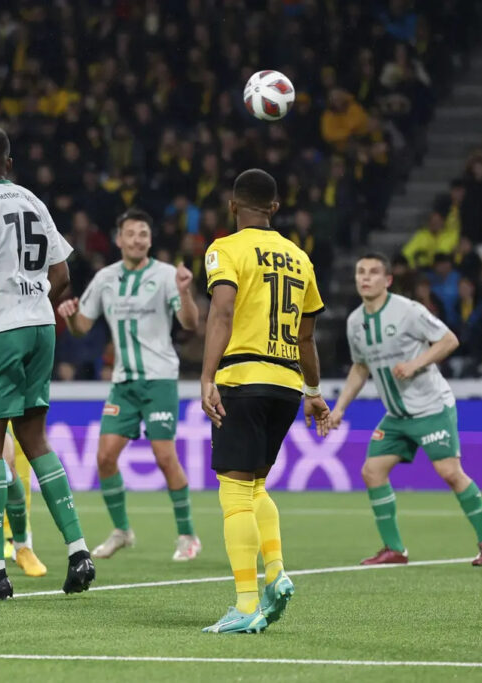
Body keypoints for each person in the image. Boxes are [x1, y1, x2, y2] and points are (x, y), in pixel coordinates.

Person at [0, 125, 93, 601]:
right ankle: (78, 551)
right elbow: (62, 273)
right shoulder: (33, 200)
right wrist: (33, 306)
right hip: (41, 329)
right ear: (9, 164)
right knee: (35, 440)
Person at [200, 169, 331, 634]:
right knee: (256, 486)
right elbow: (307, 337)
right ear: (275, 207)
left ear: (233, 205)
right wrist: (313, 392)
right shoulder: (300, 258)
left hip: (243, 379)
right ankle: (276, 573)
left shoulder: (225, 249)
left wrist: (207, 376)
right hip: (287, 385)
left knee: (234, 492)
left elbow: (222, 311)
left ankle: (245, 604)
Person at [328, 253, 482, 567]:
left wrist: (416, 363)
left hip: (431, 407)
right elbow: (360, 368)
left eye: (373, 272)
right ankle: (394, 550)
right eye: (360, 272)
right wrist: (339, 409)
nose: (365, 277)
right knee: (372, 471)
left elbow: (448, 340)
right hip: (397, 416)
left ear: (388, 280)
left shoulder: (408, 311)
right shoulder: (355, 322)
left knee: (450, 473)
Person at [57, 208, 202, 562]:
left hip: (159, 380)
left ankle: (187, 535)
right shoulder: (105, 278)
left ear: (150, 240)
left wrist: (185, 293)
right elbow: (83, 327)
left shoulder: (167, 275)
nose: (138, 240)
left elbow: (190, 323)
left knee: (164, 457)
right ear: (119, 239)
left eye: (143, 234)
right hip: (123, 383)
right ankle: (122, 531)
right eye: (131, 234)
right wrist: (71, 316)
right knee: (105, 457)